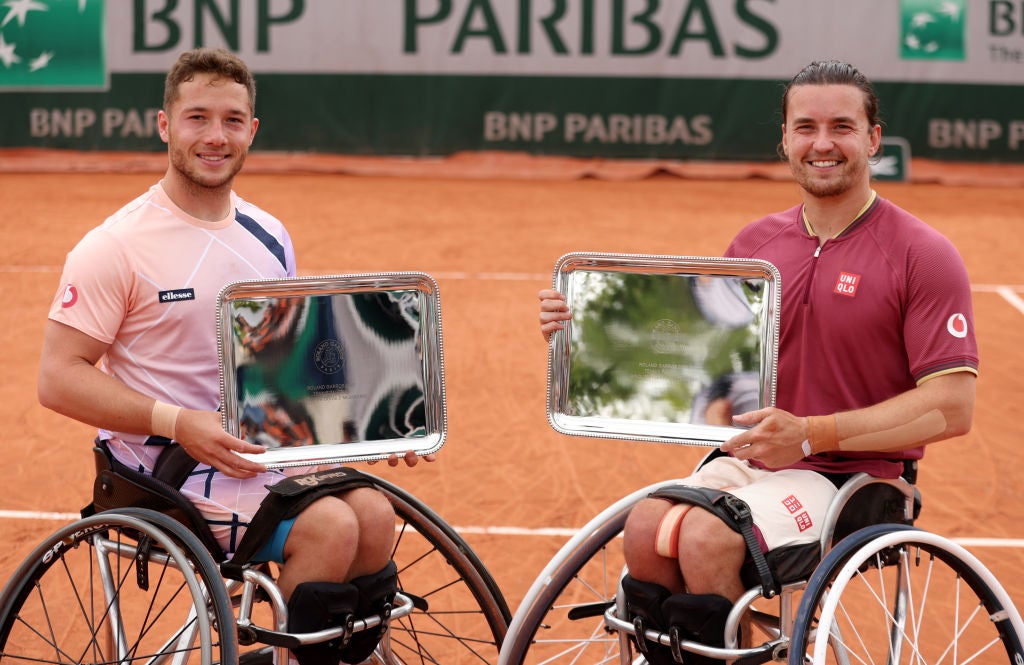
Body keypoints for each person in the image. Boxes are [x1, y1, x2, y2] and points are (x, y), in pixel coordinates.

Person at [538, 60, 977, 663]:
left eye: (842, 127)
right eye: (806, 127)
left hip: (855, 482)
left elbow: (953, 407)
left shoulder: (923, 254)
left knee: (704, 537)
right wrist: (583, 336)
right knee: (643, 528)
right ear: (785, 140)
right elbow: (701, 360)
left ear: (873, 139)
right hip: (749, 463)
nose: (822, 144)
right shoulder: (753, 247)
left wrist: (811, 434)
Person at [37, 47, 427, 665]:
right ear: (164, 126)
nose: (215, 136)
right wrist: (178, 422)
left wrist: (369, 424)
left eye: (232, 120)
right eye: (196, 118)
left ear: (252, 131)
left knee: (375, 514)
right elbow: (57, 380)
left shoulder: (269, 232)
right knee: (332, 526)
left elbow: (286, 362)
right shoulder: (113, 245)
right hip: (160, 464)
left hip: (259, 448)